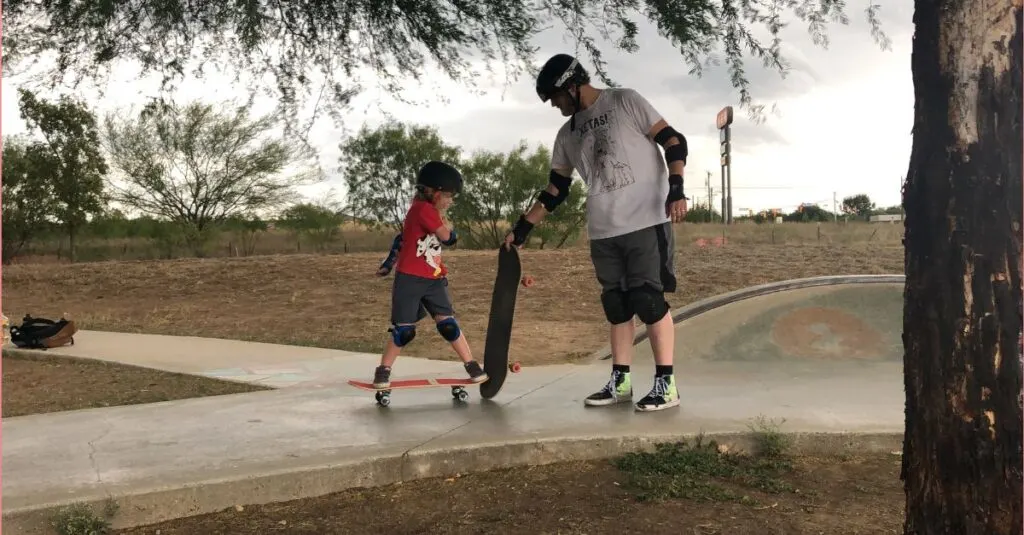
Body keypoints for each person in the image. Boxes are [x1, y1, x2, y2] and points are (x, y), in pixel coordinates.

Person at [503, 53, 689, 412]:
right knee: (616, 306)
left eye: (557, 98)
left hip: (645, 221)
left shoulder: (625, 101)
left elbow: (673, 140)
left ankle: (666, 385)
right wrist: (522, 228)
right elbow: (556, 189)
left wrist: (676, 187)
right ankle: (620, 382)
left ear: (572, 85)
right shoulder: (567, 133)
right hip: (603, 230)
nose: (556, 106)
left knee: (649, 301)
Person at [372, 160, 487, 388]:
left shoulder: (423, 210)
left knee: (448, 324)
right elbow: (447, 238)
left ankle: (471, 364)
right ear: (434, 192)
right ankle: (383, 370)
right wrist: (453, 232)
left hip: (433, 278)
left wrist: (388, 264)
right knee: (404, 331)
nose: (451, 200)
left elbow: (402, 239)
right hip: (411, 279)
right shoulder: (423, 209)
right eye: (449, 195)